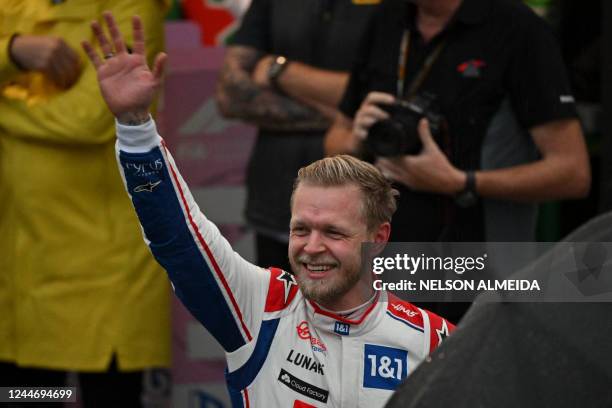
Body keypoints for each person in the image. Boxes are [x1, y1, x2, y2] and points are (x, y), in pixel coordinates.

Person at [82, 13, 455, 408]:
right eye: (301, 230)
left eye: (333, 232)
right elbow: (179, 238)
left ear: (378, 238)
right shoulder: (260, 308)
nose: (312, 247)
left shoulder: (435, 342)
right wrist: (135, 127)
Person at [324, 0, 591, 323]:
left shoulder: (518, 28)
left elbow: (573, 172)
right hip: (386, 267)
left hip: (478, 274)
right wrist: (356, 139)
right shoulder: (387, 18)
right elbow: (336, 139)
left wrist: (460, 182)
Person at [0, 3, 170, 406]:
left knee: (109, 399)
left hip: (103, 272)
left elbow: (90, 116)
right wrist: (12, 50)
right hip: (20, 271)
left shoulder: (132, 7)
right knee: (28, 397)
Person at [215, 0, 380, 272]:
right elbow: (231, 96)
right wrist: (347, 117)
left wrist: (279, 70)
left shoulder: (393, 8)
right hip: (276, 204)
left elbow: (392, 95)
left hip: (365, 207)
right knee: (280, 313)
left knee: (373, 311)